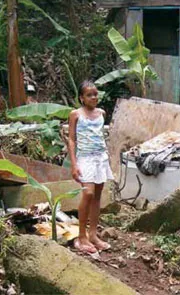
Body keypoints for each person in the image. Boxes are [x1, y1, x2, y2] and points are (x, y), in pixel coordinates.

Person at [68, 80, 113, 253]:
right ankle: (82, 237)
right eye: (89, 94)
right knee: (88, 193)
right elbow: (72, 139)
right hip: (84, 158)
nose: (94, 97)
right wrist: (74, 164)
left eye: (95, 94)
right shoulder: (75, 114)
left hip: (100, 158)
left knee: (97, 196)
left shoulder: (101, 113)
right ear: (81, 98)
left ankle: (93, 235)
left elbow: (100, 136)